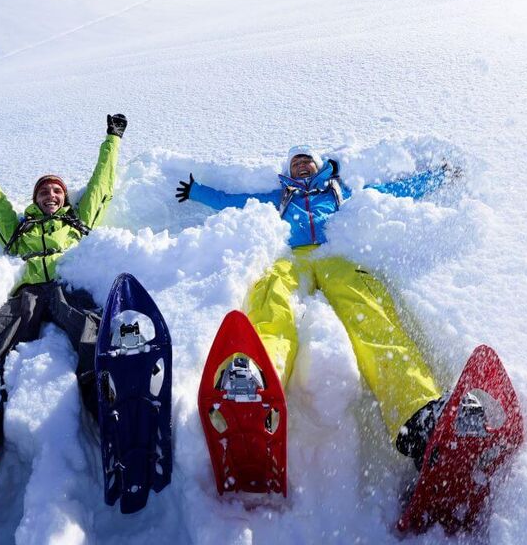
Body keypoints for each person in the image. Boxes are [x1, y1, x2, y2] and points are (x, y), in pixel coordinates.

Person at [176, 145, 457, 467]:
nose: (302, 166)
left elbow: (389, 192)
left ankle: (418, 413)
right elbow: (234, 203)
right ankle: (252, 392)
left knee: (369, 314)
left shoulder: (340, 193)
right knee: (272, 305)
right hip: (291, 258)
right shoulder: (278, 197)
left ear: (318, 165)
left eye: (307, 160)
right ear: (289, 170)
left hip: (334, 255)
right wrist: (197, 192)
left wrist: (437, 178)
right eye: (296, 162)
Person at [0, 113, 127, 514]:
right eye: (44, 191)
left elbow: (101, 185)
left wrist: (112, 139)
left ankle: (115, 417)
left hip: (65, 287)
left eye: (57, 191)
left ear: (64, 198)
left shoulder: (76, 221)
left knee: (91, 336)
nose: (51, 195)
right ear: (35, 198)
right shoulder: (19, 228)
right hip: (26, 294)